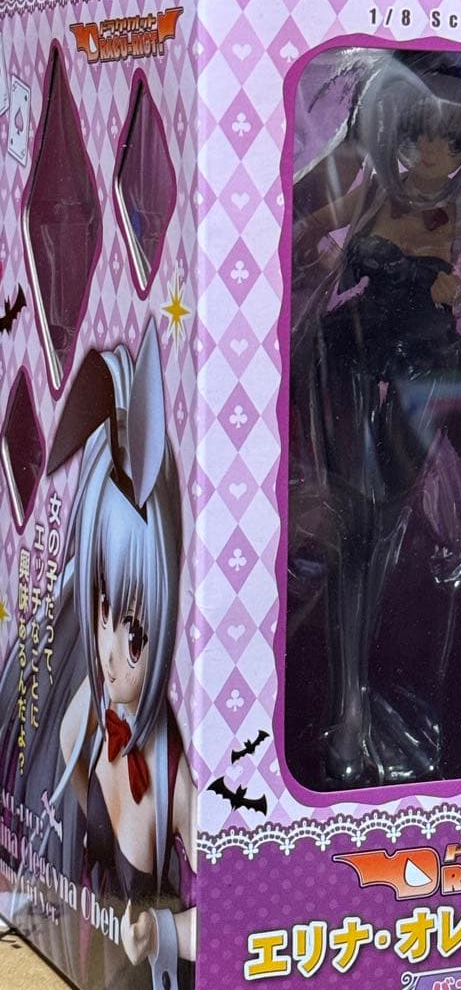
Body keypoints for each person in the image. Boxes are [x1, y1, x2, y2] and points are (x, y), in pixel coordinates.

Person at [292, 50, 461, 787]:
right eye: (416, 136)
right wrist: (315, 257)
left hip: (427, 368)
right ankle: (349, 710)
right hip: (350, 356)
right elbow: (300, 227)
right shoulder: (370, 197)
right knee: (353, 521)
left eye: (449, 143)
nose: (429, 155)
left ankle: (357, 704)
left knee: (381, 520)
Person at [0, 320, 196, 990]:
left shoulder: (173, 774)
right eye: (100, 612)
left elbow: (244, 903)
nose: (110, 654)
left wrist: (168, 932)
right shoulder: (83, 712)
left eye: (134, 633)